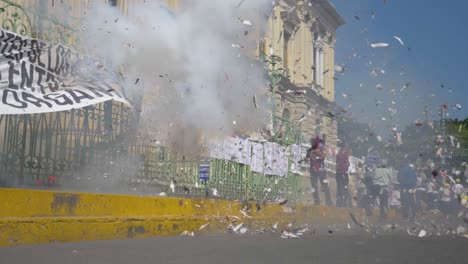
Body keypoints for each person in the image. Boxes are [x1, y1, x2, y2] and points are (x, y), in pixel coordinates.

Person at [303, 136, 332, 206]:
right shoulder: (309, 151)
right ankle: (317, 202)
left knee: (325, 186)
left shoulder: (320, 150)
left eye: (313, 142)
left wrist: (316, 154)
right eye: (311, 142)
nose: (312, 144)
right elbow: (306, 159)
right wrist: (306, 159)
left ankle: (328, 201)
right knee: (314, 187)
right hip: (313, 171)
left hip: (321, 170)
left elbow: (323, 156)